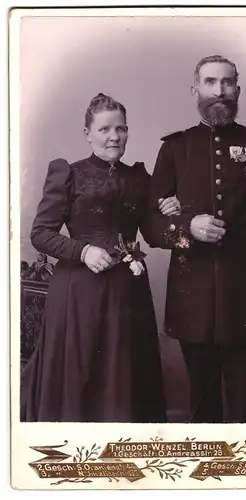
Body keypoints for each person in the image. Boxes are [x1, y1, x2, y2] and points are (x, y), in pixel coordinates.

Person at [142, 55, 246, 423]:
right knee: (202, 408)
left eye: (227, 83)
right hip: (192, 300)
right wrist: (187, 227)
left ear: (237, 90)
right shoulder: (175, 148)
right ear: (196, 90)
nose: (220, 91)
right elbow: (149, 224)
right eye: (211, 82)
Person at [21, 93, 181, 422]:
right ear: (87, 132)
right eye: (105, 129)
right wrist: (83, 250)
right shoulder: (69, 173)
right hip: (78, 294)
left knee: (123, 375)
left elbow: (152, 233)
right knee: (82, 374)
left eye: (121, 129)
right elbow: (40, 233)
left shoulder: (139, 178)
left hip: (127, 294)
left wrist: (175, 216)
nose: (114, 137)